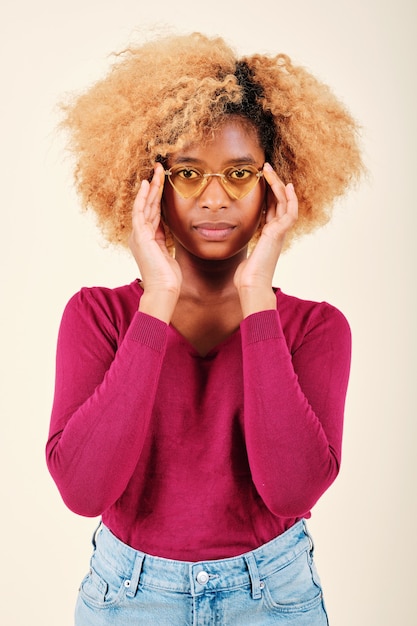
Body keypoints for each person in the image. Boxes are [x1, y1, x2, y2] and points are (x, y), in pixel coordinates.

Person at [46, 31, 363, 625]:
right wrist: (157, 299)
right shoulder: (100, 317)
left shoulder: (315, 329)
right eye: (189, 173)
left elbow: (292, 494)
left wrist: (257, 298)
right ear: (152, 183)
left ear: (276, 187)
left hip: (273, 597)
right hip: (128, 596)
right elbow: (83, 492)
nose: (214, 198)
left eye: (239, 174)